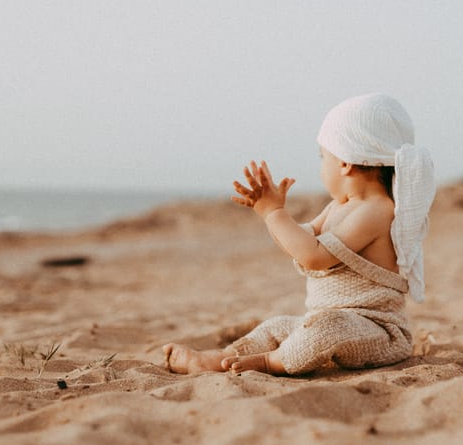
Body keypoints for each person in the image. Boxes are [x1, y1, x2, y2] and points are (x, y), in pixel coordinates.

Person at [162, 93, 436, 375]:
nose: (320, 166)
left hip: (378, 331)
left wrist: (274, 213)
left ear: (345, 162)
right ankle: (221, 359)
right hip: (328, 320)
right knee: (277, 325)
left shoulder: (377, 210)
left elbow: (313, 256)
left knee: (328, 328)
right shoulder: (338, 207)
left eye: (323, 157)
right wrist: (269, 210)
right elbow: (300, 242)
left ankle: (272, 362)